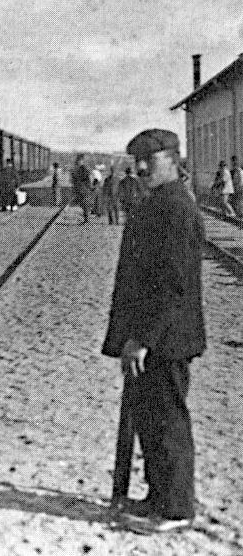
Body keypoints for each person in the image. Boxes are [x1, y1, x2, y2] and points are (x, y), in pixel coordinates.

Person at [102, 129, 205, 534]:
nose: (141, 167)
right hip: (158, 335)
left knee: (167, 421)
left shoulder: (175, 207)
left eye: (150, 158)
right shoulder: (161, 202)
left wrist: (142, 338)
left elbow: (172, 284)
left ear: (173, 159)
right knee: (151, 418)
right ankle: (161, 497)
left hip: (165, 338)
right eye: (136, 159)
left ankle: (176, 509)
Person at [72, 154, 92, 223]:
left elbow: (83, 178)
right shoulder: (81, 168)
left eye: (78, 161)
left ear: (81, 161)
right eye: (77, 161)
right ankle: (86, 219)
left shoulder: (83, 168)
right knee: (83, 204)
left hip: (84, 189)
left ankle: (86, 220)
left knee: (85, 204)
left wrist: (75, 177)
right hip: (82, 189)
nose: (77, 162)